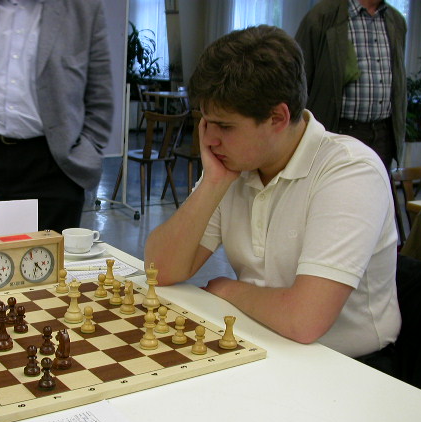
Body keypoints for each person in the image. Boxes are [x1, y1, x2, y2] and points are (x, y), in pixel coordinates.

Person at [144, 26, 401, 361]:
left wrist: (229, 289)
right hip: (258, 340)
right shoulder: (235, 164)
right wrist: (213, 183)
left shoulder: (350, 171)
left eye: (225, 126)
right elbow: (160, 270)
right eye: (206, 122)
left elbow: (304, 320)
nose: (208, 140)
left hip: (348, 366)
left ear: (278, 117)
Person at [0, 0, 114, 235]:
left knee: (48, 259)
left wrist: (86, 151)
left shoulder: (83, 9)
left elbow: (100, 94)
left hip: (52, 169)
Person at [295, 0, 407, 173]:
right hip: (338, 131)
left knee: (376, 188)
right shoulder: (321, 17)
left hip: (383, 135)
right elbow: (298, 79)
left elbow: (398, 79)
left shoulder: (396, 20)